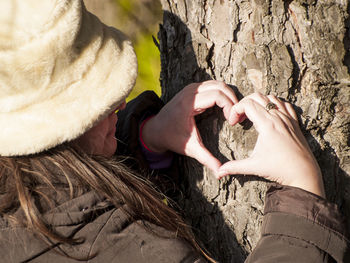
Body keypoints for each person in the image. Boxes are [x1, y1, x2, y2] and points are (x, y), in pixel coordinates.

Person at [0, 0, 348, 262]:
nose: (120, 105)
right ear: (57, 132)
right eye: (99, 105)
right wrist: (302, 197)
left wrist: (141, 140)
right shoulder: (120, 249)